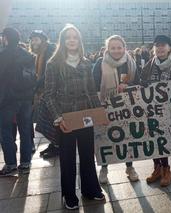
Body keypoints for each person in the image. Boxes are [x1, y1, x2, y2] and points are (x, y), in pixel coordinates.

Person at [43, 24, 104, 210]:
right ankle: (69, 195)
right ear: (62, 41)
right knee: (67, 158)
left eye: (75, 37)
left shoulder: (86, 62)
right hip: (66, 118)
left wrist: (100, 113)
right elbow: (49, 95)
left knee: (87, 154)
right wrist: (58, 118)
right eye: (68, 37)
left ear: (79, 41)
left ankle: (90, 189)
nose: (71, 40)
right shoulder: (53, 64)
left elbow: (92, 92)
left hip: (85, 116)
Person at [92, 35, 139, 184]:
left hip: (127, 107)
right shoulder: (100, 63)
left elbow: (139, 83)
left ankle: (130, 167)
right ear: (107, 49)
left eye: (119, 47)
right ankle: (104, 169)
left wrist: (128, 87)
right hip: (106, 107)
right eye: (113, 48)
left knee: (127, 137)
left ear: (124, 48)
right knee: (105, 137)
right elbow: (93, 85)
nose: (116, 50)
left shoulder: (131, 63)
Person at [140, 35, 171, 187]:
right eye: (157, 45)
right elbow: (141, 85)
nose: (160, 48)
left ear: (169, 48)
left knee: (164, 139)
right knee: (152, 137)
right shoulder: (148, 66)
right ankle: (157, 168)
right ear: (153, 48)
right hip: (151, 109)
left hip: (170, 109)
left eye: (163, 45)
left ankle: (166, 170)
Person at [0, 27, 35, 176]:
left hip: (7, 99)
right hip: (26, 98)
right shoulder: (27, 55)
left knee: (5, 132)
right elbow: (33, 77)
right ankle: (26, 162)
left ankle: (10, 164)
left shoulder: (3, 55)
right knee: (25, 130)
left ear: (6, 38)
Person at [29, 30, 58, 159]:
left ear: (43, 40)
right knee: (46, 120)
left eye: (36, 39)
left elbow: (48, 71)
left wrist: (36, 86)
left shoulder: (50, 49)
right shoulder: (40, 53)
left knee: (51, 120)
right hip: (44, 90)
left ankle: (58, 146)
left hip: (52, 91)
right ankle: (55, 143)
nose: (34, 42)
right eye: (32, 40)